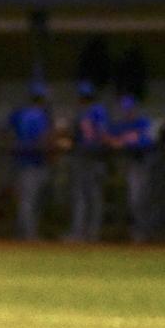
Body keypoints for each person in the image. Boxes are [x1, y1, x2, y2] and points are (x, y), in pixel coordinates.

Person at [107, 94, 155, 243]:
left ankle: (146, 232)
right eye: (125, 110)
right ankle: (138, 232)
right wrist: (115, 140)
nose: (128, 112)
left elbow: (148, 141)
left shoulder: (144, 122)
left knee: (144, 199)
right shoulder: (123, 125)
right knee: (134, 199)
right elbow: (108, 135)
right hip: (133, 164)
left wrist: (124, 142)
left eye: (130, 109)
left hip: (147, 163)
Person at [9, 82, 53, 241]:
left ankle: (22, 234)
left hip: (21, 162)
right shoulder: (40, 115)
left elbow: (6, 132)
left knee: (25, 200)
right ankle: (29, 235)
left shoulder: (20, 113)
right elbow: (43, 140)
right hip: (34, 162)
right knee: (30, 201)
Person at [66, 80, 109, 242]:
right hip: (87, 158)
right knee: (88, 196)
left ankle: (86, 232)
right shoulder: (93, 111)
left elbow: (102, 136)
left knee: (89, 196)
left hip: (91, 158)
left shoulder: (90, 111)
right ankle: (85, 232)